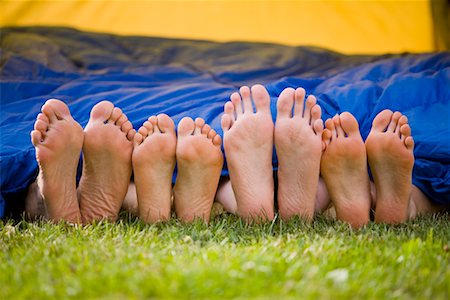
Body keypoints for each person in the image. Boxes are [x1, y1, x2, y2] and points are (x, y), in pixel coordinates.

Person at [26, 85, 448, 226]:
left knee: (201, 175)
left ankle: (80, 200)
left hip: (174, 186)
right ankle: (389, 201)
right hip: (345, 188)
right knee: (406, 184)